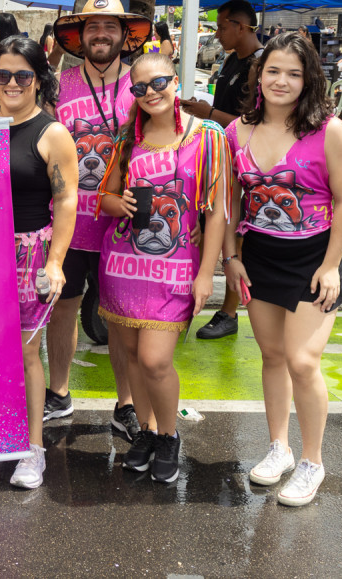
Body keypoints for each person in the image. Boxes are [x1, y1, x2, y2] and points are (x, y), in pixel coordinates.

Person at [223, 32, 342, 506]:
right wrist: (231, 257)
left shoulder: (330, 131)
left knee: (302, 361)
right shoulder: (237, 131)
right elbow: (230, 202)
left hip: (314, 259)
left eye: (294, 74)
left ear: (309, 80)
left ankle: (312, 461)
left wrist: (331, 266)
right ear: (259, 75)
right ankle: (278, 447)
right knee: (273, 357)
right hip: (260, 256)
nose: (281, 81)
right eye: (273, 71)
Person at [95, 51, 230, 483]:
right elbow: (104, 199)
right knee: (133, 356)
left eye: (159, 83)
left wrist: (207, 273)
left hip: (176, 269)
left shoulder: (207, 137)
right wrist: (118, 202)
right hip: (124, 264)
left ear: (176, 82)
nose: (150, 93)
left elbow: (217, 213)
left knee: (155, 360)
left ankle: (169, 435)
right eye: (140, 87)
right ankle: (148, 432)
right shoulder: (127, 138)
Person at [0, 37, 78, 489]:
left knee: (27, 352)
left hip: (28, 253)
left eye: (23, 75)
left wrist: (56, 262)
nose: (12, 83)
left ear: (39, 78)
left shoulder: (52, 134)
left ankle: (33, 450)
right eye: (3, 74)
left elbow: (66, 200)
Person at [45, 0, 151, 439]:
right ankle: (58, 393)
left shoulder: (142, 83)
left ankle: (126, 404)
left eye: (110, 27)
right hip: (67, 222)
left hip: (122, 224)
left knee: (121, 319)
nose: (101, 34)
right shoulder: (57, 85)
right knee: (62, 309)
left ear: (125, 35)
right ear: (80, 36)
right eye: (92, 27)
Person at [179, 0, 263, 340]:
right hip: (218, 159)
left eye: (222, 26)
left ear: (240, 27)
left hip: (245, 165)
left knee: (234, 233)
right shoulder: (231, 61)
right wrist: (202, 111)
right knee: (204, 226)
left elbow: (254, 123)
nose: (217, 34)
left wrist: (209, 114)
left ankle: (229, 312)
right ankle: (189, 300)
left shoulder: (261, 66)